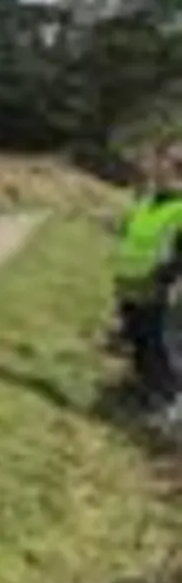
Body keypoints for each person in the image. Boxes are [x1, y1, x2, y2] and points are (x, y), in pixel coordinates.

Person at [112, 140, 182, 424]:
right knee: (139, 345)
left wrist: (168, 274)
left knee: (159, 349)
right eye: (160, 163)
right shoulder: (146, 202)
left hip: (158, 289)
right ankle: (149, 398)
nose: (159, 169)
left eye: (167, 165)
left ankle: (170, 406)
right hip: (130, 285)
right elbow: (128, 234)